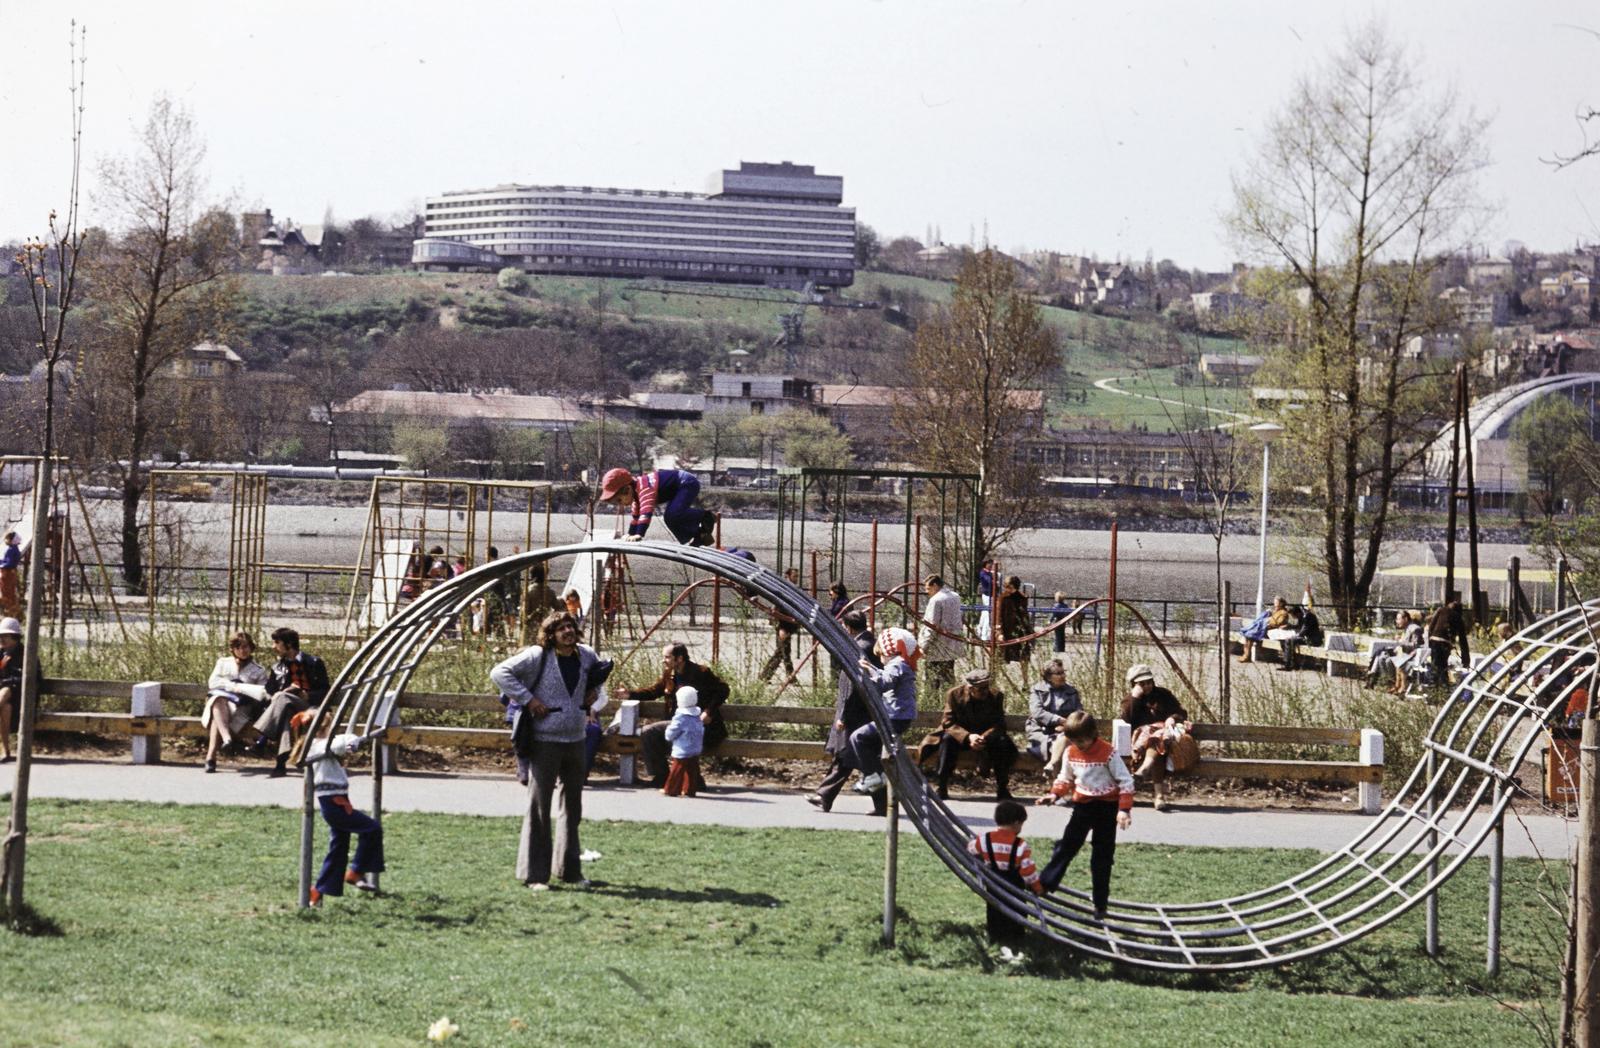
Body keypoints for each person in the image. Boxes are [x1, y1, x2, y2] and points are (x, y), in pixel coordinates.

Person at [490, 611, 604, 891]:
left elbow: (600, 677)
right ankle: (535, 875)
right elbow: (499, 672)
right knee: (540, 808)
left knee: (572, 807)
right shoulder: (537, 656)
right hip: (545, 741)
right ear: (550, 634)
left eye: (570, 626)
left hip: (575, 739)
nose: (567, 631)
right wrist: (528, 700)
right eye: (560, 628)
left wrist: (595, 693)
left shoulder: (586, 655)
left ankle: (570, 871)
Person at [1035, 711, 1134, 920]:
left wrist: (1124, 810)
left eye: (1082, 740)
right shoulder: (1071, 752)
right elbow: (1065, 778)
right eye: (1074, 740)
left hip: (1107, 808)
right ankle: (1045, 883)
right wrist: (1053, 795)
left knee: (1102, 856)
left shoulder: (1108, 752)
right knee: (1067, 846)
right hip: (1083, 806)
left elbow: (1126, 782)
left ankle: (1100, 904)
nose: (1079, 744)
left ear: (1093, 734)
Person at [294, 709, 384, 907]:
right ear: (322, 729)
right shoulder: (317, 746)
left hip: (339, 799)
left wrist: (351, 740)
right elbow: (339, 744)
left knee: (338, 848)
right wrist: (351, 742)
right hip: (333, 803)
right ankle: (356, 871)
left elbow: (340, 743)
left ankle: (318, 891)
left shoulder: (321, 744)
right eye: (330, 727)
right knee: (372, 828)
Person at [623, 642, 730, 789]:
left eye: (667, 657)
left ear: (679, 659)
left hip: (703, 728)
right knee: (650, 733)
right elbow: (653, 691)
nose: (663, 660)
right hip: (680, 724)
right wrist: (630, 694)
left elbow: (723, 690)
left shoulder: (701, 673)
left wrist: (708, 711)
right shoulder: (671, 675)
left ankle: (688, 780)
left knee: (651, 731)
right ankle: (663, 776)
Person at [806, 611, 877, 813]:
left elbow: (855, 686)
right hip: (862, 712)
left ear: (848, 628)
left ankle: (825, 796)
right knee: (860, 759)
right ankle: (826, 796)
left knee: (848, 756)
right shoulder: (868, 645)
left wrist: (844, 715)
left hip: (856, 713)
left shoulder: (859, 648)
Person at [917, 668, 1017, 801]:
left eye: (986, 687)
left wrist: (982, 737)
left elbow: (999, 724)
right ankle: (942, 786)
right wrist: (969, 736)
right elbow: (948, 723)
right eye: (980, 689)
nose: (985, 692)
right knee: (947, 740)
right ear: (970, 688)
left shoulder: (996, 696)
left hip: (986, 738)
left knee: (1003, 743)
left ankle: (1003, 789)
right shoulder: (954, 694)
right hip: (960, 736)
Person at [246, 627, 332, 778]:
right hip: (286, 707)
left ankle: (263, 740)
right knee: (285, 714)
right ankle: (281, 763)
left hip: (312, 707)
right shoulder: (278, 667)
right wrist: (283, 691)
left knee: (282, 698)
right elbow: (270, 689)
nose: (274, 646)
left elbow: (326, 691)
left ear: (289, 644)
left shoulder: (314, 662)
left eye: (277, 642)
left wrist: (307, 695)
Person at [851, 627, 920, 802]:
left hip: (896, 717)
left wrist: (867, 678)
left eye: (881, 654)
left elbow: (885, 682)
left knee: (857, 738)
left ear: (889, 650)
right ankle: (876, 775)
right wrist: (872, 668)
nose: (881, 659)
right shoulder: (899, 663)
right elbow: (887, 676)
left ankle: (872, 775)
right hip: (899, 716)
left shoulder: (897, 663)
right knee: (868, 742)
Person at [966, 799, 1044, 950]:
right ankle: (1016, 935)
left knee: (994, 908)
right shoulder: (1021, 846)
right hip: (1014, 882)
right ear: (1016, 823)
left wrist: (983, 858)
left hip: (994, 881)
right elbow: (1028, 871)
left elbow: (971, 848)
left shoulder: (984, 840)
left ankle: (995, 935)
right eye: (1021, 824)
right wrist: (1037, 887)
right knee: (1018, 908)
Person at [1121, 663, 1189, 812]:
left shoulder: (1163, 694)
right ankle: (1159, 797)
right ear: (1134, 684)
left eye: (1149, 682)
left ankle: (1146, 769)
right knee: (1157, 747)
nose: (1147, 686)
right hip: (1141, 742)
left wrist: (1172, 717)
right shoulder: (1129, 700)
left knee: (1158, 743)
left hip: (1165, 739)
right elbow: (1127, 721)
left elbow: (1181, 713)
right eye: (1142, 683)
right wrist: (1135, 698)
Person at [201, 631, 271, 773]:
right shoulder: (223, 663)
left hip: (242, 708)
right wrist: (232, 686)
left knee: (217, 717)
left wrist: (244, 690)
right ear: (232, 649)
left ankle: (211, 757)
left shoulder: (258, 670)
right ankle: (227, 740)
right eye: (238, 647)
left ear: (251, 648)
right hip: (222, 703)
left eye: (246, 647)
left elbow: (263, 692)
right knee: (218, 700)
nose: (243, 651)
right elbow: (213, 682)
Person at [599, 467, 717, 546]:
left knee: (673, 514)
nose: (621, 504)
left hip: (686, 483)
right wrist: (630, 534)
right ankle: (699, 535)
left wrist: (639, 534)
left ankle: (706, 516)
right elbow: (636, 517)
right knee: (669, 518)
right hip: (676, 490)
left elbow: (646, 512)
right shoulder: (636, 497)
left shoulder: (644, 488)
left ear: (627, 490)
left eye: (619, 500)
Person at [1026, 658, 1083, 774]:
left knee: (1063, 741)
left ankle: (1052, 771)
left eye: (1063, 672)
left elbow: (1079, 714)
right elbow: (1037, 712)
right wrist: (1060, 720)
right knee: (1058, 744)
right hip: (1040, 731)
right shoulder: (1037, 690)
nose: (1063, 676)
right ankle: (1056, 783)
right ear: (1048, 677)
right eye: (1058, 673)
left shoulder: (1071, 692)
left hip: (1065, 732)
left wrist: (1067, 727)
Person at [919, 574, 964, 697]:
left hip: (937, 645)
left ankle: (931, 705)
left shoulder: (936, 600)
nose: (927, 592)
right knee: (948, 678)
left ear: (935, 585)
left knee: (932, 680)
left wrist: (924, 645)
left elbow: (932, 625)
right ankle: (950, 702)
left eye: (928, 589)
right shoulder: (955, 597)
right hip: (951, 644)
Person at [662, 686, 707, 797]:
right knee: (692, 770)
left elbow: (673, 730)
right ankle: (690, 790)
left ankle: (671, 789)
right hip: (695, 747)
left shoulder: (681, 717)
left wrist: (668, 735)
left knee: (677, 770)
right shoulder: (697, 715)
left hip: (683, 749)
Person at [758, 568, 801, 683]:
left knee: (783, 651)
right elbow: (779, 608)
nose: (796, 579)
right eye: (794, 576)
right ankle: (788, 677)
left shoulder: (790, 589)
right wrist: (781, 627)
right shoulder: (785, 589)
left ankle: (768, 675)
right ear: (787, 576)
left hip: (787, 625)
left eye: (797, 576)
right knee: (783, 651)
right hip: (784, 625)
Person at [0, 617, 31, 763]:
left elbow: (31, 679)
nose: (2, 639)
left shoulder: (26, 655)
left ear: (15, 638)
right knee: (5, 709)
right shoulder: (1, 653)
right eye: (0, 636)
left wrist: (7, 682)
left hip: (21, 697)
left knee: (5, 691)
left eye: (5, 636)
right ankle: (6, 751)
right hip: (6, 701)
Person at [1428, 594, 1470, 688]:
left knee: (1435, 665)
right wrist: (1466, 658)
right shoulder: (1458, 618)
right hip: (1445, 643)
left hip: (1434, 640)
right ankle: (1442, 687)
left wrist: (1429, 641)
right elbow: (1463, 640)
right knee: (1442, 666)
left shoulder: (1441, 610)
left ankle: (1435, 687)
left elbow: (1431, 626)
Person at [1240, 595, 1289, 664]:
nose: (1275, 604)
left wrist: (1269, 620)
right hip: (1265, 628)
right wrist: (1268, 615)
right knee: (1248, 636)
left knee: (1250, 636)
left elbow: (1278, 623)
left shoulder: (1283, 613)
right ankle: (1246, 655)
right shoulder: (1274, 611)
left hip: (1271, 630)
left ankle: (1246, 656)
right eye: (1274, 602)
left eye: (1276, 603)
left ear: (1281, 603)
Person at [998, 575, 1032, 663]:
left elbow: (1024, 616)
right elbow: (999, 616)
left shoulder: (1022, 598)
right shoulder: (1003, 598)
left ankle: (1025, 677)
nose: (1007, 589)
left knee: (1024, 658)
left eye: (1009, 587)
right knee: (1001, 659)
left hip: (1020, 632)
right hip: (1006, 632)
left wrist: (1028, 631)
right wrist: (1000, 632)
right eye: (1006, 587)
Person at [0, 531, 21, 618]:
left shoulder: (12, 550)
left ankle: (9, 612)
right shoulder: (13, 549)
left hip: (7, 572)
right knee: (8, 592)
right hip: (8, 572)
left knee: (7, 592)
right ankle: (10, 611)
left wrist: (1, 565)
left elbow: (9, 563)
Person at [976, 559, 996, 641]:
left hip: (990, 595)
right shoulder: (983, 573)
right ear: (985, 564)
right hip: (987, 595)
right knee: (988, 613)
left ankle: (980, 631)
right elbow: (989, 581)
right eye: (989, 564)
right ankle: (985, 635)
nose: (991, 566)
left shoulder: (989, 573)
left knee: (985, 613)